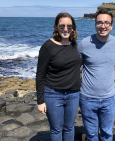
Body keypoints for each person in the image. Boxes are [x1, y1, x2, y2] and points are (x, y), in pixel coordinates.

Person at [36, 13, 81, 141]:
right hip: (53, 94)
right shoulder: (48, 46)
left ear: (73, 27)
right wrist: (40, 101)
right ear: (56, 27)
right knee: (56, 129)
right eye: (62, 25)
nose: (65, 29)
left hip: (73, 94)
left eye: (69, 26)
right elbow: (40, 74)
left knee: (69, 128)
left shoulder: (74, 45)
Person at [78, 10, 115, 141]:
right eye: (100, 23)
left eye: (107, 23)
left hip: (108, 98)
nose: (103, 26)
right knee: (91, 135)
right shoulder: (84, 44)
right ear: (95, 24)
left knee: (107, 134)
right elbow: (75, 67)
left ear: (112, 25)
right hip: (87, 98)